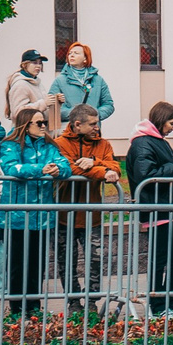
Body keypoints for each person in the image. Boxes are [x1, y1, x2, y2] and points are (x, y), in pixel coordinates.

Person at [0, 107, 67, 311]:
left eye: (45, 122)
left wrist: (58, 170)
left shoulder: (49, 145)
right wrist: (40, 169)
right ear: (26, 125)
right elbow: (10, 167)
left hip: (42, 216)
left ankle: (34, 307)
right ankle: (17, 308)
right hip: (17, 215)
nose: (44, 126)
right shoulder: (10, 145)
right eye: (39, 123)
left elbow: (64, 165)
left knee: (37, 263)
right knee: (17, 263)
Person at [126, 102, 173, 314]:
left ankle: (170, 303)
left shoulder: (156, 141)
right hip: (159, 211)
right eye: (172, 123)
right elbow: (146, 175)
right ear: (161, 120)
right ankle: (158, 306)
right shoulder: (143, 143)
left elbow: (161, 172)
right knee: (161, 260)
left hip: (171, 210)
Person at [53, 103, 121, 303]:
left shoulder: (103, 144)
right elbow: (70, 169)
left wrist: (94, 162)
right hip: (64, 216)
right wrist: (102, 171)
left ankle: (91, 300)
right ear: (77, 124)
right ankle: (73, 301)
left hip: (92, 215)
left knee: (95, 260)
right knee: (66, 262)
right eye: (92, 124)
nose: (96, 127)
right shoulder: (59, 143)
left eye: (97, 123)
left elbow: (116, 167)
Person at [51, 41, 115, 127]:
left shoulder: (98, 80)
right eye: (70, 53)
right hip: (70, 129)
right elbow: (53, 107)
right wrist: (75, 114)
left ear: (85, 58)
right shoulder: (60, 80)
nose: (72, 55)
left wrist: (94, 115)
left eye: (76, 53)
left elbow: (108, 105)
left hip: (92, 129)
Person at [2, 48, 50, 132]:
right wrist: (44, 103)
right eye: (34, 63)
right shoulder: (20, 84)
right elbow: (18, 113)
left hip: (37, 131)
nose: (38, 66)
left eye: (40, 63)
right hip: (24, 133)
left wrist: (56, 102)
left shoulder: (37, 83)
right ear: (25, 65)